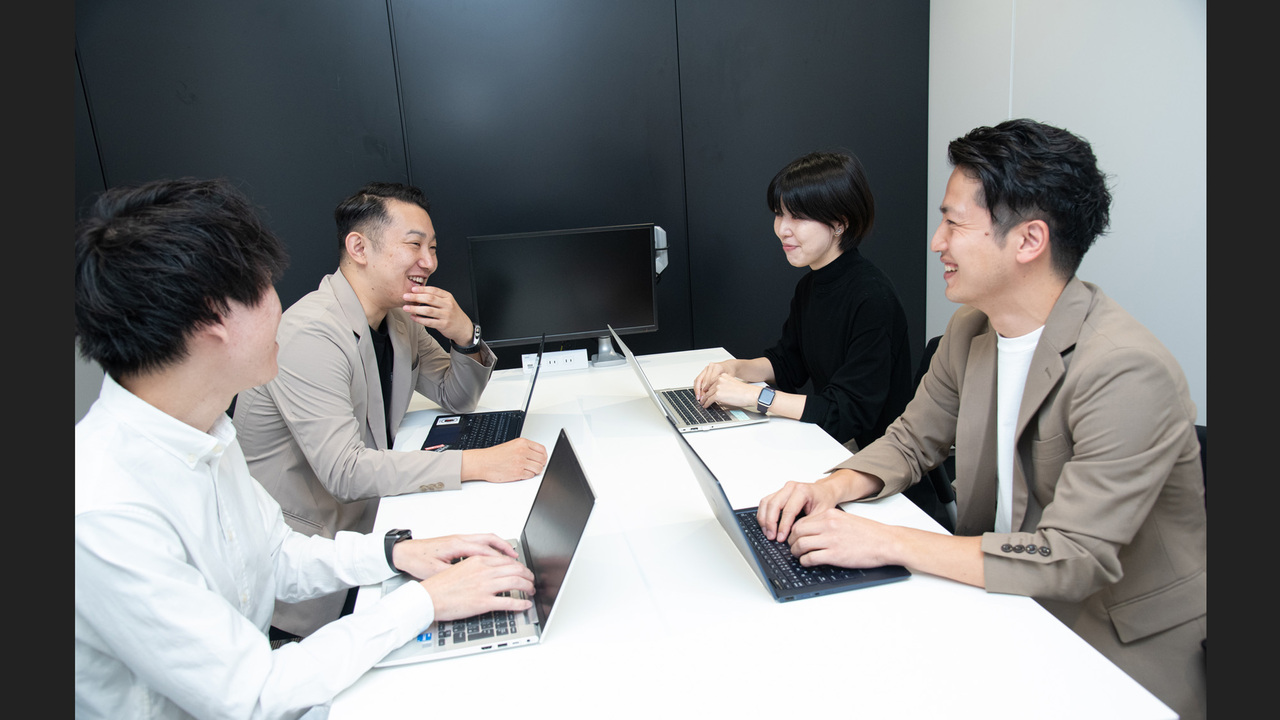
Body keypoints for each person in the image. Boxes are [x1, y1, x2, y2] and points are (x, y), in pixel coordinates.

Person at [756, 120, 1206, 719]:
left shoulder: (1126, 370)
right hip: (1002, 600)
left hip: (1107, 644)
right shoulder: (972, 330)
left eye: (954, 223)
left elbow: (1073, 557)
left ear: (1028, 241)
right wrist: (827, 489)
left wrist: (883, 540)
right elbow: (912, 440)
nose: (937, 242)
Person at [75, 177, 536, 719]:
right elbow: (254, 695)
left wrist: (396, 553)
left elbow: (274, 554)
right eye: (263, 285)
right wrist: (425, 601)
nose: (280, 302)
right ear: (211, 318)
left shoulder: (201, 435)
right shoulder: (103, 509)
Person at [233, 181, 548, 639]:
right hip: (310, 576)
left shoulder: (395, 319)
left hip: (371, 531)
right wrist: (477, 463)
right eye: (415, 245)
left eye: (433, 248)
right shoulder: (310, 332)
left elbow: (456, 396)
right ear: (358, 247)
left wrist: (467, 334)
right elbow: (345, 471)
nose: (430, 262)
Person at [692, 151, 913, 454]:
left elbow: (845, 415)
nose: (782, 228)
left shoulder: (872, 299)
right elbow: (787, 363)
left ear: (840, 223)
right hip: (830, 446)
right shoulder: (811, 285)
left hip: (872, 463)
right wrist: (734, 369)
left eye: (797, 216)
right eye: (779, 213)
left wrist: (753, 397)